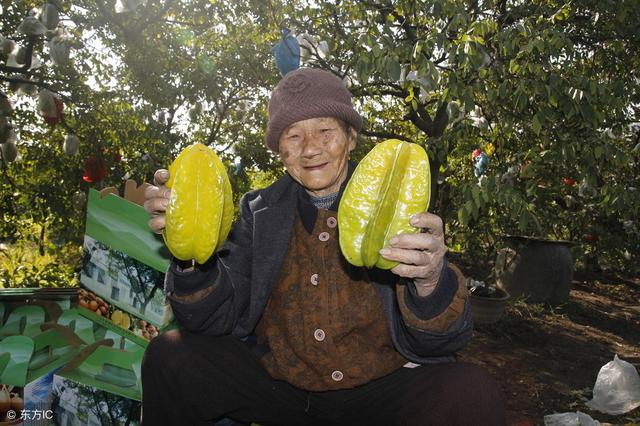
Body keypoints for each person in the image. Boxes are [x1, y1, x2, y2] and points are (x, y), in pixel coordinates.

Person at [141, 67, 506, 426]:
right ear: (279, 151)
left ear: (350, 137)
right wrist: (188, 252)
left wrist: (429, 282)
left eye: (325, 130)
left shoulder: (397, 204)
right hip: (280, 388)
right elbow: (211, 320)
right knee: (170, 357)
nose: (311, 148)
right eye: (293, 136)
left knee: (470, 390)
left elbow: (442, 341)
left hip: (378, 390)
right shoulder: (257, 212)